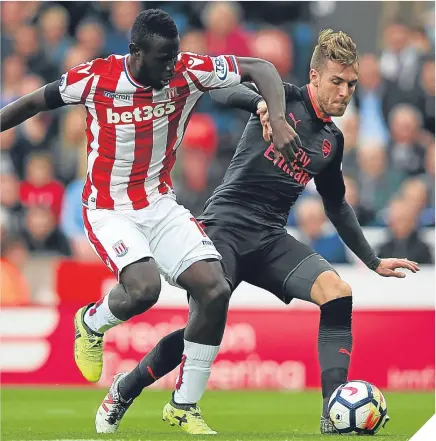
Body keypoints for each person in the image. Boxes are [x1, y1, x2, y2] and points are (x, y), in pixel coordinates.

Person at [94, 29, 418, 435]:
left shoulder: (331, 142)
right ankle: (127, 387)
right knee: (205, 323)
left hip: (269, 239)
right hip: (222, 229)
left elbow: (336, 204)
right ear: (314, 77)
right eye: (336, 81)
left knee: (337, 293)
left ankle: (332, 416)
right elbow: (220, 92)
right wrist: (263, 104)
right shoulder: (283, 98)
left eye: (351, 84)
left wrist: (372, 260)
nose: (344, 92)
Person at [0, 9, 299, 436]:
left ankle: (184, 405)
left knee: (214, 288)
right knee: (144, 289)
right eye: (162, 58)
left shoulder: (187, 70)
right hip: (107, 208)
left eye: (174, 56)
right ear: (135, 52)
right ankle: (90, 323)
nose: (171, 66)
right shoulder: (94, 77)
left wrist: (278, 112)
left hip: (159, 204)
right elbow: (33, 103)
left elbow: (260, 68)